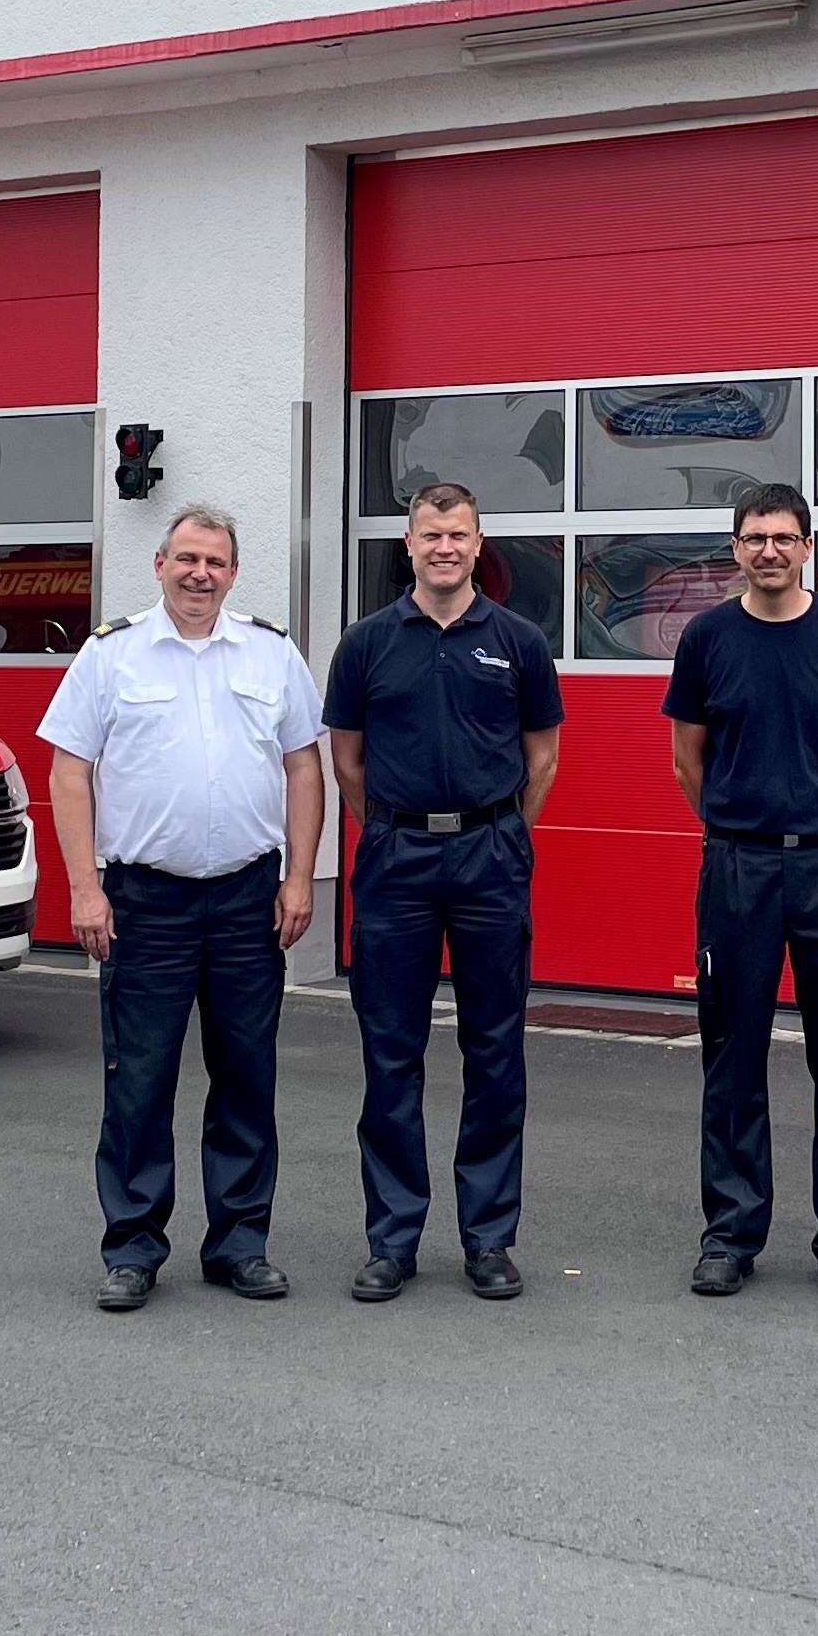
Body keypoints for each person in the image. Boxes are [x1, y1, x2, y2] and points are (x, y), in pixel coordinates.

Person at [39, 503, 327, 1312]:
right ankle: (132, 1247)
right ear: (159, 562)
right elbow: (69, 771)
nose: (201, 573)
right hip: (144, 900)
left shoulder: (270, 652)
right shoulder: (111, 654)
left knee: (245, 1077)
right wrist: (84, 887)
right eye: (188, 558)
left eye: (217, 561)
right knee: (138, 1081)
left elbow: (305, 767)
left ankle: (239, 1243)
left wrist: (301, 877)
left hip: (246, 896)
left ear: (234, 573)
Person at [324, 483, 564, 1303]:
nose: (444, 547)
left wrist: (495, 830)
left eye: (457, 534)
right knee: (390, 1052)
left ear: (476, 540)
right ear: (409, 543)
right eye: (430, 534)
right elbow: (346, 761)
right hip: (396, 861)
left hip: (490, 859)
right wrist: (393, 827)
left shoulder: (518, 641)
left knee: (494, 1052)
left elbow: (542, 758)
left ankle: (488, 1239)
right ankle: (392, 1238)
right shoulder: (365, 643)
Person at [666, 483, 818, 1299]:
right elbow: (687, 759)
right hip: (737, 869)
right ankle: (729, 1233)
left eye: (783, 536)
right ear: (734, 548)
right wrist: (745, 825)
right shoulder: (705, 637)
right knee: (732, 1056)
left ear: (808, 546)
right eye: (753, 536)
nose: (768, 549)